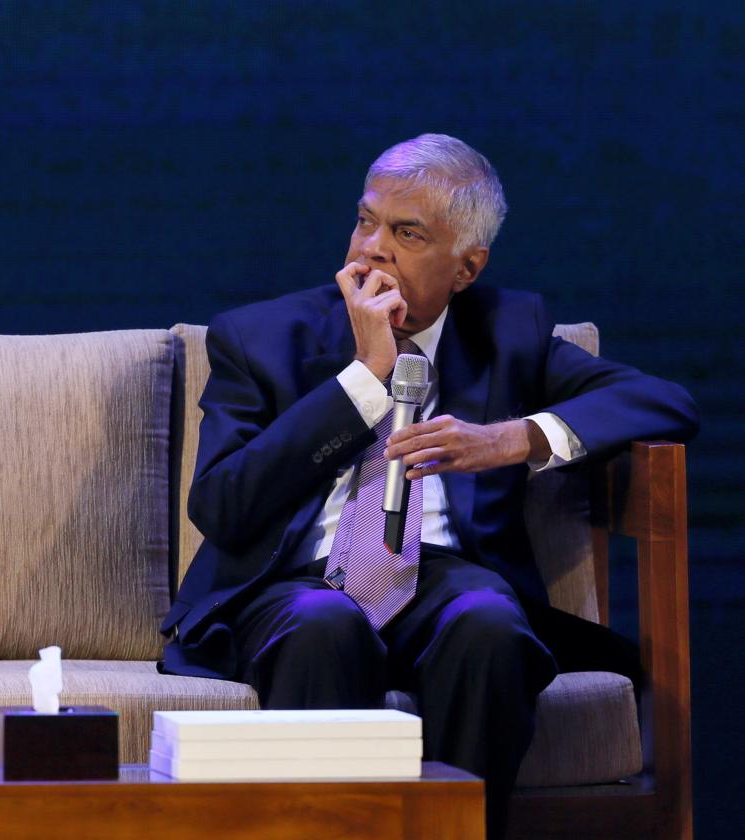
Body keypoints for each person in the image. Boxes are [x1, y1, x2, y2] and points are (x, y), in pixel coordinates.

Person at [159, 133, 698, 836]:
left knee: (489, 625)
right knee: (325, 625)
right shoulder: (259, 337)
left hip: (443, 575)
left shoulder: (511, 333)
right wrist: (364, 382)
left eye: (407, 233)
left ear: (466, 267)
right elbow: (223, 506)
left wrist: (513, 437)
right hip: (294, 582)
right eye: (366, 220)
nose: (374, 247)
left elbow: (664, 403)